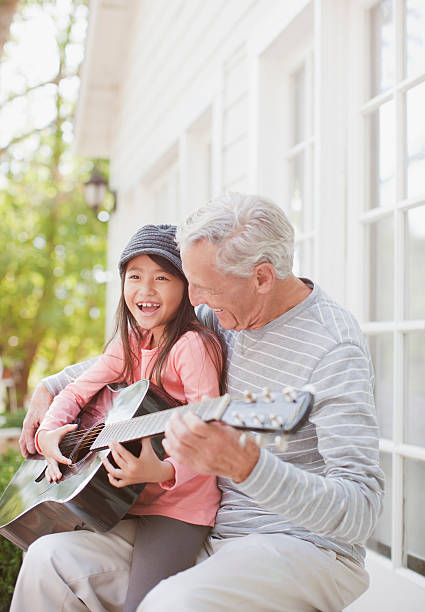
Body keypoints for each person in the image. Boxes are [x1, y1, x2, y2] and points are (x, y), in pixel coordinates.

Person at [17, 193, 384, 612]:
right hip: (205, 528)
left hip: (298, 543)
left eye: (205, 287)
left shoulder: (332, 346)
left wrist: (250, 468)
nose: (191, 300)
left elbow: (362, 510)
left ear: (262, 277)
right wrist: (48, 388)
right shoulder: (221, 314)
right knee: (48, 562)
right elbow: (130, 356)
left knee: (172, 604)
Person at [12, 223, 225, 612]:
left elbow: (210, 429)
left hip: (178, 508)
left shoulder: (191, 347)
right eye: (135, 277)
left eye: (162, 277)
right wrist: (47, 434)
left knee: (143, 605)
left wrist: (163, 471)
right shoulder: (130, 343)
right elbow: (75, 390)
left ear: (187, 288)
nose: (145, 290)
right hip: (126, 499)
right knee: (42, 559)